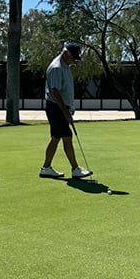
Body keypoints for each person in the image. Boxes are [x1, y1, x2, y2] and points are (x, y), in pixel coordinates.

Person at [39, 42, 92, 179]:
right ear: (66, 53)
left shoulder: (65, 65)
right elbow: (55, 92)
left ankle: (46, 168)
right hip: (56, 107)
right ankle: (75, 169)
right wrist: (65, 111)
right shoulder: (57, 67)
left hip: (59, 107)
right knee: (67, 137)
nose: (74, 60)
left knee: (56, 138)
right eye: (73, 57)